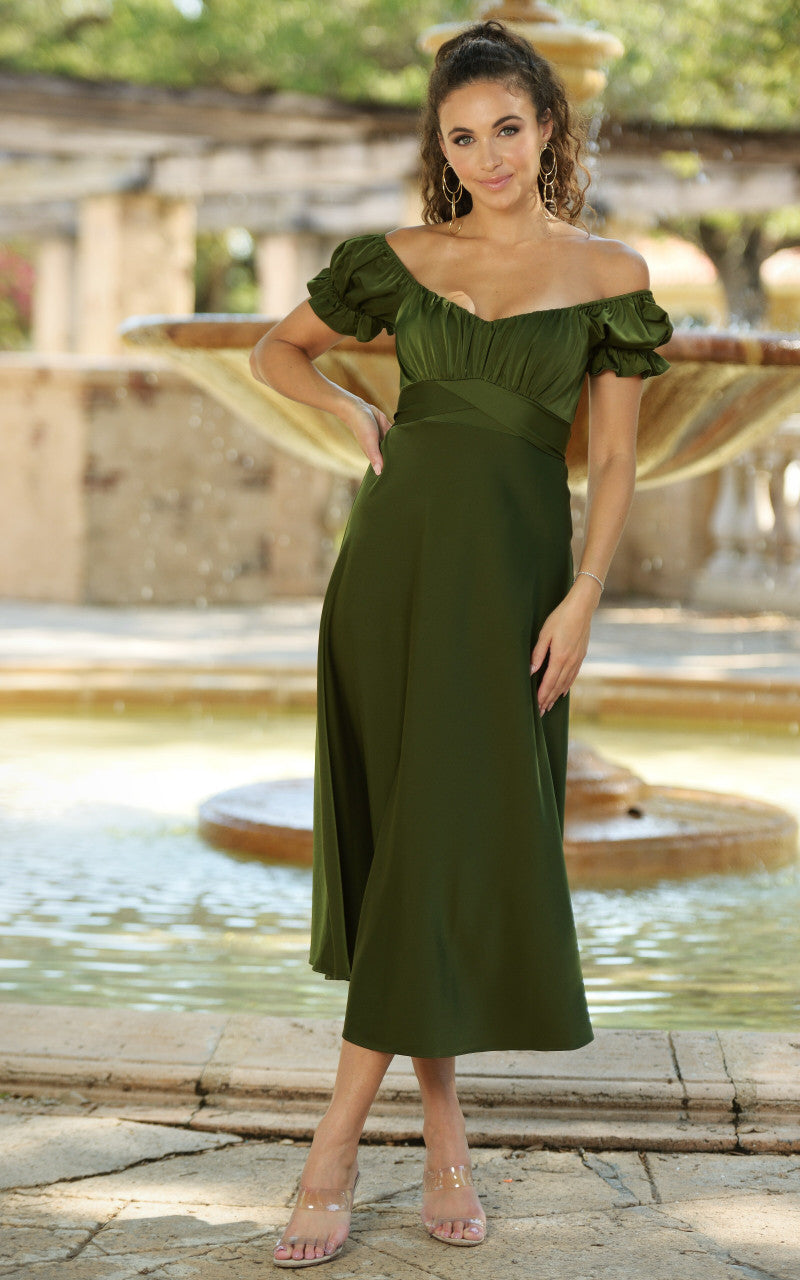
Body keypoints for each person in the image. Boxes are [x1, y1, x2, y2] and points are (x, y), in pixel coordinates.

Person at [249, 18, 673, 1269]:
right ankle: (438, 1131)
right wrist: (345, 408)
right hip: (390, 571)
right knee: (406, 845)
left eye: (505, 127)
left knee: (443, 835)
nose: (487, 154)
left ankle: (335, 1141)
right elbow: (273, 347)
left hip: (512, 579)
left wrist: (585, 591)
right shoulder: (397, 259)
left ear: (547, 127)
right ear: (440, 150)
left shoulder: (609, 274)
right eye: (460, 136)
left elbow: (613, 457)